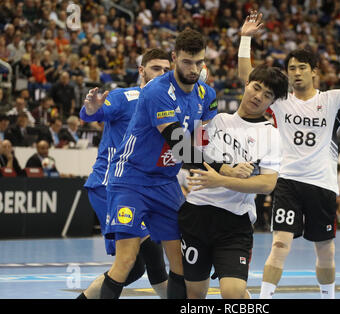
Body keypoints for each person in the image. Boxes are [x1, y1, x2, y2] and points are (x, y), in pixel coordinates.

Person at [238, 11, 340, 299]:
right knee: (279, 244)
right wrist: (244, 39)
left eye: (302, 67)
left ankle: (328, 296)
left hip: (322, 185)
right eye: (291, 68)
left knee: (325, 249)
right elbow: (247, 78)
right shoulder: (280, 100)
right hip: (288, 181)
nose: (296, 72)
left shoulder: (332, 99)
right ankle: (264, 299)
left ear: (314, 71)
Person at [100, 29, 248, 299]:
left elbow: (202, 140)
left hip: (165, 182)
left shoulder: (207, 95)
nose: (193, 69)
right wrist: (223, 169)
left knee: (180, 263)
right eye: (186, 62)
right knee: (125, 262)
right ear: (174, 58)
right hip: (131, 178)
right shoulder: (158, 91)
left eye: (198, 62)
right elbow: (179, 144)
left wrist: (225, 164)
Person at [178, 64, 288, 299]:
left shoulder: (271, 134)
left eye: (267, 95)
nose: (258, 97)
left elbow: (267, 184)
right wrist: (225, 173)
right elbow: (188, 155)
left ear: (272, 102)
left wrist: (221, 180)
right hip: (196, 214)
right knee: (194, 294)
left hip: (234, 222)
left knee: (233, 295)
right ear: (246, 84)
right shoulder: (215, 120)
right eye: (256, 88)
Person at [77, 48, 172, 299]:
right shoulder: (125, 97)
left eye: (166, 70)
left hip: (139, 189)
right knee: (151, 255)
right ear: (141, 70)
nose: (162, 74)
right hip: (110, 186)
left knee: (133, 269)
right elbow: (93, 112)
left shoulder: (168, 104)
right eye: (156, 68)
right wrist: (91, 108)